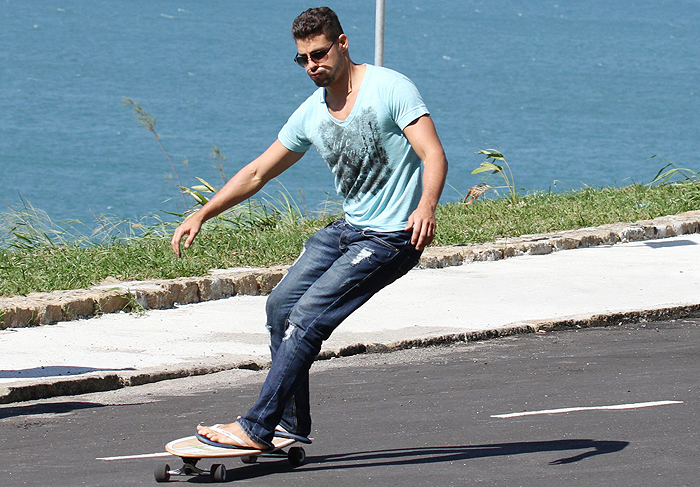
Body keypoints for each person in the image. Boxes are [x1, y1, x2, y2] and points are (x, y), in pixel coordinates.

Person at [171, 6, 448, 450]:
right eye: (302, 59)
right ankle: (292, 423)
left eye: (319, 54)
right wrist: (203, 213)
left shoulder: (390, 88)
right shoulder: (311, 113)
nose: (312, 65)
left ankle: (257, 425)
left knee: (306, 320)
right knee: (280, 308)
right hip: (349, 229)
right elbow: (259, 171)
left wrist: (427, 205)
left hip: (393, 237)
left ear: (342, 43)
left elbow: (434, 153)